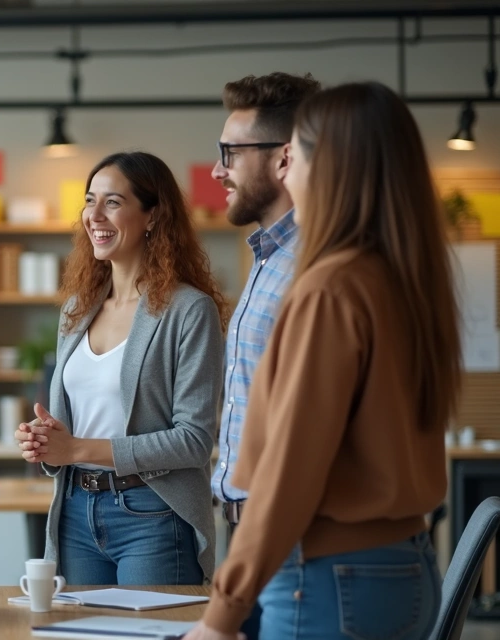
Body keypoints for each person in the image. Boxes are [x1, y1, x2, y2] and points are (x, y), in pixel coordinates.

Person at [186, 81, 459, 639]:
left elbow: (290, 470)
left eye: (297, 153)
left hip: (328, 576)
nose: (287, 168)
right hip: (398, 565)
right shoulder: (398, 275)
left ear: (330, 165)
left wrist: (221, 615)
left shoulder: (329, 286)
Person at [16, 151, 227, 587]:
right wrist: (47, 442)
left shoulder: (189, 310)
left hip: (152, 513)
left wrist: (75, 448)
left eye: (112, 202)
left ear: (152, 216)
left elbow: (193, 441)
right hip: (75, 510)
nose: (94, 215)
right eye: (90, 200)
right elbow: (74, 427)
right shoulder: (77, 309)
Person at [208, 71, 321, 639]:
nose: (216, 169)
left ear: (283, 159)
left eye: (229, 152)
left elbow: (299, 441)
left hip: (289, 539)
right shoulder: (269, 260)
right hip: (256, 534)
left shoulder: (312, 269)